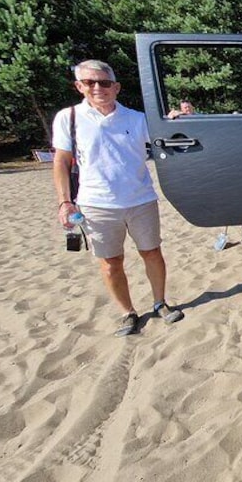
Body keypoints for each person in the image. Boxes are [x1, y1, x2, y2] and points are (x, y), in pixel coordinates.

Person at [52, 59, 183, 337]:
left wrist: (177, 118)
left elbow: (168, 136)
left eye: (104, 82)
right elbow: (61, 161)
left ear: (117, 87)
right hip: (96, 204)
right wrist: (65, 201)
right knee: (111, 262)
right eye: (90, 82)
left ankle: (160, 302)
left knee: (152, 253)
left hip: (140, 200)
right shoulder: (69, 118)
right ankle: (128, 312)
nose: (98, 87)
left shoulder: (136, 119)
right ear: (79, 86)